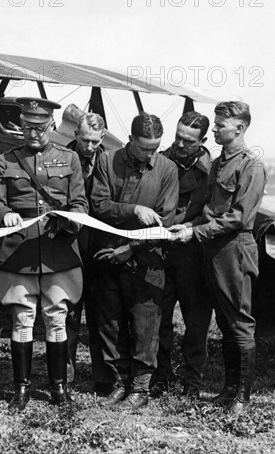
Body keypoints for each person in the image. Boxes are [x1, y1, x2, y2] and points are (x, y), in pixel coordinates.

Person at [0, 97, 88, 411]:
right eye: (27, 127)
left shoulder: (69, 159)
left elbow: (80, 204)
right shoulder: (7, 160)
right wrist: (4, 215)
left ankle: (58, 388)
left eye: (40, 128)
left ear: (51, 125)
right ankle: (21, 389)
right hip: (19, 251)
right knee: (22, 317)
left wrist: (69, 222)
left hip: (58, 250)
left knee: (56, 318)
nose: (33, 134)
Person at [171, 101, 266, 415]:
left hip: (234, 250)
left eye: (219, 126)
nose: (213, 130)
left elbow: (238, 218)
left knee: (239, 324)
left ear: (238, 128)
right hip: (214, 249)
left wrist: (194, 234)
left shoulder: (251, 166)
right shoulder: (219, 163)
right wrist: (188, 224)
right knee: (226, 325)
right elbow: (210, 211)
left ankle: (242, 397)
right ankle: (228, 390)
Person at [90, 112, 178, 408]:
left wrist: (131, 247)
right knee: (110, 323)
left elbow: (165, 221)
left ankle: (140, 388)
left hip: (146, 260)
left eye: (155, 147)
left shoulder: (167, 169)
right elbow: (99, 205)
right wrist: (134, 210)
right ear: (129, 140)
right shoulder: (107, 160)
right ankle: (118, 383)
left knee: (145, 326)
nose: (151, 154)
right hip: (108, 258)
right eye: (144, 148)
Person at [151, 111, 213, 399]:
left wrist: (189, 227)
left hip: (193, 252)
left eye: (188, 140)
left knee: (196, 321)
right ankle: (161, 377)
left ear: (201, 141)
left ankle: (192, 382)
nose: (179, 143)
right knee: (158, 317)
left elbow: (216, 214)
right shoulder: (160, 160)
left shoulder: (213, 170)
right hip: (161, 250)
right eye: (177, 136)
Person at [64, 112, 111, 391]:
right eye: (84, 140)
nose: (89, 147)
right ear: (75, 135)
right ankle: (64, 376)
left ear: (102, 138)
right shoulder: (62, 158)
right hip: (70, 246)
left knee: (101, 315)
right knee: (68, 313)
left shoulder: (111, 162)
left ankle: (103, 378)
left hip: (101, 249)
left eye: (95, 141)